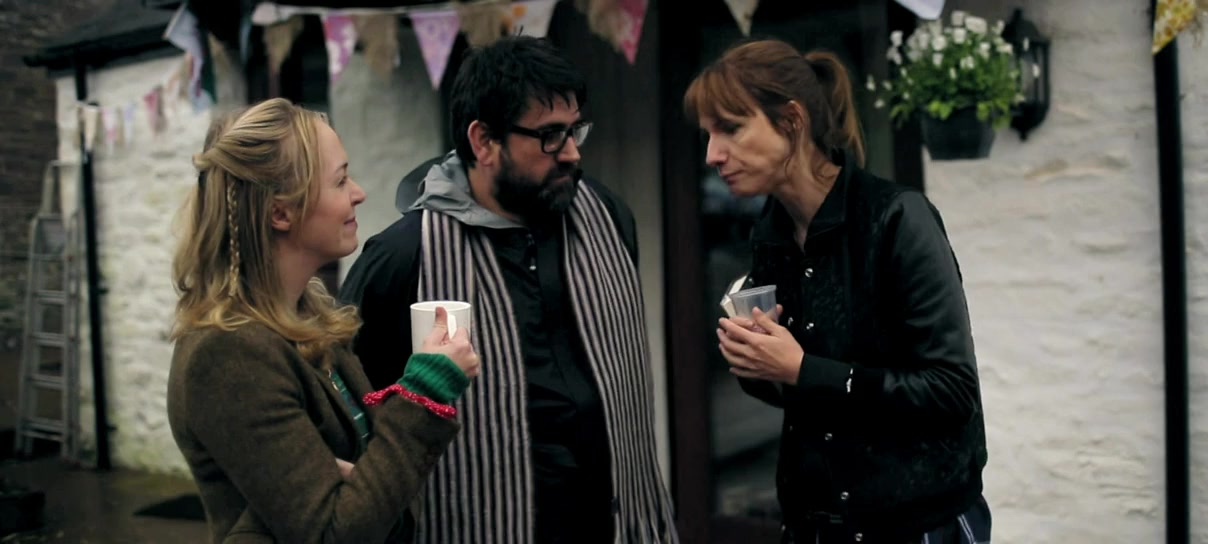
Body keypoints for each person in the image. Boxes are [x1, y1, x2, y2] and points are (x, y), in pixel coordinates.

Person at [339, 36, 676, 543]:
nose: (572, 153)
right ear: (483, 142)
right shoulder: (405, 256)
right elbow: (348, 402)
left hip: (615, 524)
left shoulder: (607, 217)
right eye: (550, 136)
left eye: (575, 130)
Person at [686, 39, 991, 543]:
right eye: (708, 135)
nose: (712, 155)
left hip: (915, 526)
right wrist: (756, 362)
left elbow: (951, 391)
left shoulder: (896, 218)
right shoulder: (772, 231)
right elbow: (802, 393)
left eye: (731, 129)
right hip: (815, 524)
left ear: (791, 121)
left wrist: (801, 369)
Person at [166, 98, 480, 543]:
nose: (359, 192)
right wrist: (424, 392)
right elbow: (332, 533)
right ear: (281, 212)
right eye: (340, 180)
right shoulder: (229, 352)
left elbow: (367, 485)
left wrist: (360, 479)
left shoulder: (307, 316)